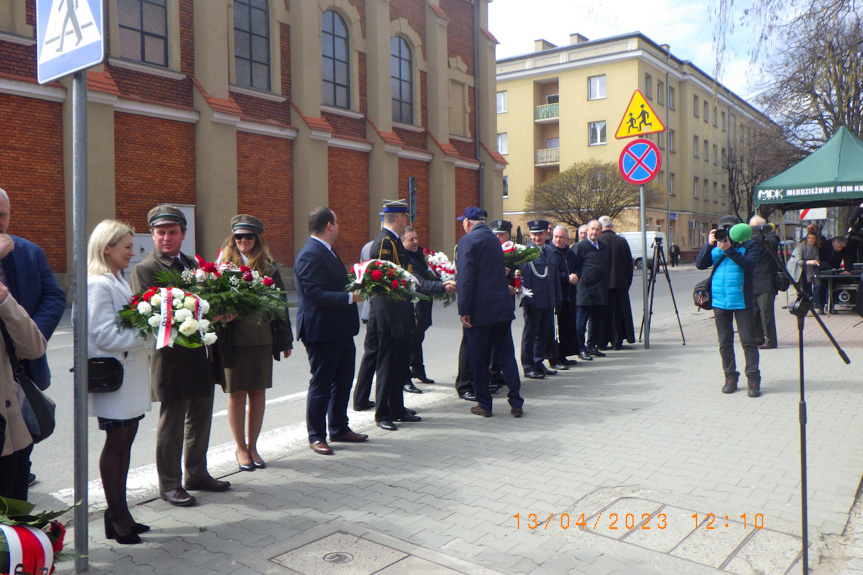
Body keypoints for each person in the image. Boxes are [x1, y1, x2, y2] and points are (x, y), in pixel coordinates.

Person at [130, 205, 230, 507]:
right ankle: (170, 484)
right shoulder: (145, 269)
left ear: (183, 234)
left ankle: (197, 473)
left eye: (173, 232)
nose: (166, 237)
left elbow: (206, 302)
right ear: (153, 235)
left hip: (199, 353)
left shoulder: (191, 263)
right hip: (170, 357)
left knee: (200, 416)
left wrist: (222, 311)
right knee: (171, 422)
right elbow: (151, 316)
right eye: (160, 232)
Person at [86, 220, 151, 544]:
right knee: (117, 444)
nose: (132, 252)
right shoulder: (99, 284)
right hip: (115, 378)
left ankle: (119, 514)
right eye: (127, 246)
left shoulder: (117, 279)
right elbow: (101, 333)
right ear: (107, 248)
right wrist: (147, 332)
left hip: (128, 376)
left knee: (124, 443)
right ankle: (117, 517)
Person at [0, 187, 66, 488]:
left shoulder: (29, 252)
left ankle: (21, 474)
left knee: (23, 444)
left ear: (10, 216)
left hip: (25, 372)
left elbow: (54, 296)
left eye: (1, 215)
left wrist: (33, 336)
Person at [368, 199, 453, 431]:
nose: (407, 219)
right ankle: (383, 413)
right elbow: (384, 284)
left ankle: (397, 408)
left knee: (398, 364)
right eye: (405, 216)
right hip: (389, 314)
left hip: (400, 312)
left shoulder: (393, 241)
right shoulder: (385, 243)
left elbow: (408, 279)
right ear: (399, 218)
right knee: (387, 365)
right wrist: (395, 319)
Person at [216, 215, 293, 471]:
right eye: (238, 236)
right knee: (237, 393)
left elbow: (281, 305)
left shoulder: (269, 267)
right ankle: (240, 448)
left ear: (257, 239)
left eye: (248, 236)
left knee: (258, 393)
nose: (243, 241)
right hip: (234, 339)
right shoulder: (224, 265)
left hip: (261, 338)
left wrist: (285, 340)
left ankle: (253, 446)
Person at [294, 207, 368, 455]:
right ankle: (316, 435)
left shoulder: (326, 250)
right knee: (322, 384)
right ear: (328, 225)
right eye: (336, 222)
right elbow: (315, 295)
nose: (338, 226)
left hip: (341, 329)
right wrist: (351, 297)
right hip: (322, 331)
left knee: (344, 380)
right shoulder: (310, 253)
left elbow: (335, 281)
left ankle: (338, 427)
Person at [456, 207, 524, 418]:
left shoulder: (468, 241)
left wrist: (464, 309)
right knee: (506, 356)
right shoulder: (494, 240)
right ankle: (516, 401)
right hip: (501, 307)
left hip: (480, 309)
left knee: (479, 358)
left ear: (467, 222)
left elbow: (466, 278)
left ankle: (484, 404)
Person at [696, 215, 761, 397]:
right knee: (725, 342)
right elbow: (700, 264)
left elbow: (749, 266)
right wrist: (709, 244)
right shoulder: (716, 245)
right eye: (722, 229)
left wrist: (731, 249)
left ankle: (753, 379)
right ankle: (730, 377)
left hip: (742, 300)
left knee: (748, 342)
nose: (725, 234)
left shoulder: (749, 245)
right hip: (719, 301)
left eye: (729, 229)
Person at [0, 281, 47, 501]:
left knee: (16, 521)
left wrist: (5, 301)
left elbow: (35, 348)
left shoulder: (3, 298)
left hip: (14, 433)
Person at [518, 219, 561, 379]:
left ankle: (538, 362)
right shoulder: (525, 253)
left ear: (546, 234)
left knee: (543, 334)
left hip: (548, 301)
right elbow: (523, 279)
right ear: (530, 235)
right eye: (534, 235)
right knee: (530, 335)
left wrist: (558, 298)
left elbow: (554, 277)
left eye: (540, 234)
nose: (537, 238)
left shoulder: (549, 251)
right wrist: (527, 300)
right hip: (533, 300)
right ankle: (528, 366)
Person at [352, 224, 381, 412]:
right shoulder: (378, 247)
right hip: (375, 309)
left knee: (370, 356)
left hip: (368, 309)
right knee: (373, 356)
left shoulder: (368, 246)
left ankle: (361, 398)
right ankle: (361, 399)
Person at [403, 226, 435, 391]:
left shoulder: (421, 255)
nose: (416, 242)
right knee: (410, 341)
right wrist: (442, 286)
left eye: (416, 238)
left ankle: (417, 369)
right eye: (411, 239)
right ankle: (405, 378)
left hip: (424, 304)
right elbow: (419, 283)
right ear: (403, 242)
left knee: (418, 338)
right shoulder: (406, 259)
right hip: (413, 305)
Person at [572, 220, 608, 360]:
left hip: (599, 289)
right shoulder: (580, 246)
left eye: (597, 229)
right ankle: (580, 348)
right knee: (581, 322)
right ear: (587, 230)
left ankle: (591, 346)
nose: (594, 232)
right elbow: (574, 266)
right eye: (592, 229)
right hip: (584, 290)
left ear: (601, 231)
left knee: (596, 321)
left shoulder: (604, 246)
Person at [598, 216, 635, 350]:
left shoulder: (598, 241)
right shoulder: (622, 241)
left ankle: (601, 341)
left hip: (602, 285)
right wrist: (627, 282)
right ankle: (617, 340)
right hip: (620, 284)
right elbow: (629, 264)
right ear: (611, 226)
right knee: (619, 313)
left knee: (603, 314)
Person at [549, 226, 579, 368]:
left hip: (569, 296)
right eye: (556, 237)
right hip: (557, 296)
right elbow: (551, 273)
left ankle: (564, 355)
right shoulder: (550, 251)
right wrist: (566, 277)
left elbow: (578, 267)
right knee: (555, 330)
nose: (558, 240)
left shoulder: (570, 253)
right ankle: (554, 358)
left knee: (566, 328)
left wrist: (576, 275)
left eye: (561, 237)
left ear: (567, 238)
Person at [749, 215, 779, 349]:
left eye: (755, 227)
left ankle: (771, 341)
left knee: (766, 314)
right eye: (751, 227)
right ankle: (758, 338)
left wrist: (761, 233)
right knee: (754, 313)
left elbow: (769, 243)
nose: (752, 230)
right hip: (752, 282)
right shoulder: (748, 241)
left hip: (766, 282)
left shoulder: (770, 239)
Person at [786, 230, 821, 312]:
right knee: (802, 287)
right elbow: (798, 261)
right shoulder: (800, 247)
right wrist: (809, 262)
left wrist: (817, 262)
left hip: (808, 268)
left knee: (811, 286)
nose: (811, 240)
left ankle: (810, 305)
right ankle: (800, 306)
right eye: (809, 238)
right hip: (797, 267)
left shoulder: (815, 247)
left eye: (813, 238)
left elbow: (816, 258)